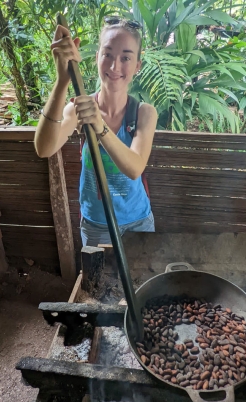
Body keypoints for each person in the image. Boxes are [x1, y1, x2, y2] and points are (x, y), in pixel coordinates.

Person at [34, 17, 158, 247]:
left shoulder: (144, 113)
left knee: (141, 283)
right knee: (100, 283)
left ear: (137, 66)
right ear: (97, 57)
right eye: (108, 54)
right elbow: (44, 148)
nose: (114, 66)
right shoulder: (78, 109)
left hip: (138, 222)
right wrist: (63, 81)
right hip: (96, 224)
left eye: (126, 58)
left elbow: (135, 168)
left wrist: (100, 127)